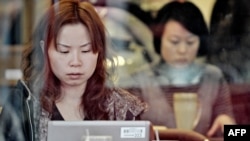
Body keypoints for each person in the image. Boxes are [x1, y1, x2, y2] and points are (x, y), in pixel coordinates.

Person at [0, 0, 147, 141]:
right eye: (64, 51)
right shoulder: (23, 104)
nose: (75, 62)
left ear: (99, 50)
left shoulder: (123, 108)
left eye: (86, 50)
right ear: (44, 49)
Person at [138, 1, 235, 137]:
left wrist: (228, 125)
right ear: (159, 40)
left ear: (200, 41)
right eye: (174, 41)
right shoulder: (140, 81)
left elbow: (236, 133)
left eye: (190, 42)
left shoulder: (213, 77)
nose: (182, 50)